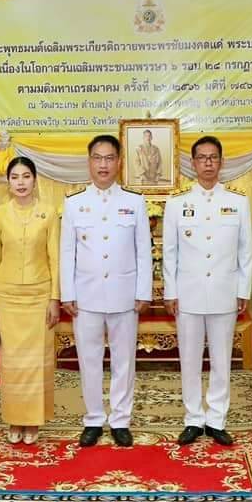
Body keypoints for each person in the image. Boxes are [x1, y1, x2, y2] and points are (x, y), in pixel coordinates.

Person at [60, 134, 151, 447]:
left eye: (109, 158)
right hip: (86, 296)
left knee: (124, 359)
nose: (103, 164)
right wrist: (67, 294)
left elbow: (143, 250)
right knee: (89, 358)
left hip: (125, 294)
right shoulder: (74, 203)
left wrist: (143, 292)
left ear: (119, 162)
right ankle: (94, 418)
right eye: (97, 158)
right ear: (89, 162)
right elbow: (66, 252)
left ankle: (121, 419)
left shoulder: (134, 202)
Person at [163, 136, 252, 446]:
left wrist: (243, 289)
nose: (208, 163)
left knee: (221, 358)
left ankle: (216, 419)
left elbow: (246, 251)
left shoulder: (238, 202)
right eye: (202, 158)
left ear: (221, 162)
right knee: (189, 359)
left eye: (214, 157)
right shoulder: (177, 203)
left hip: (224, 292)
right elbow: (170, 253)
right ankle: (192, 418)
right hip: (188, 293)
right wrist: (171, 292)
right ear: (193, 163)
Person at [0, 156, 61, 445]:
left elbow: (55, 257)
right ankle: (15, 420)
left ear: (35, 179)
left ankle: (33, 422)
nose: (20, 182)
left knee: (36, 361)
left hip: (40, 295)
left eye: (26, 176)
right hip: (7, 297)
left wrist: (55, 297)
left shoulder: (49, 212)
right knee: (12, 361)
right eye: (15, 177)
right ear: (8, 182)